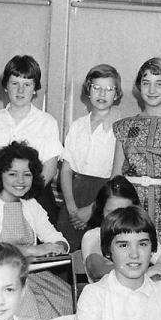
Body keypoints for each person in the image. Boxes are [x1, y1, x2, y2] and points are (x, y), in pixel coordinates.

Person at [0, 142, 73, 320]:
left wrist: (56, 247)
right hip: (1, 281)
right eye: (13, 174)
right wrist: (34, 250)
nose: (21, 180)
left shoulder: (31, 205)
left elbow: (59, 239)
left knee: (69, 308)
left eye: (27, 174)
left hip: (36, 276)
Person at [111, 57, 161, 256]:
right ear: (139, 87)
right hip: (130, 207)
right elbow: (115, 177)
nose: (151, 90)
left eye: (159, 84)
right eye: (146, 83)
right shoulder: (124, 126)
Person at [0, 55, 63, 222]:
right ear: (6, 86)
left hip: (34, 196)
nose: (20, 91)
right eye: (14, 83)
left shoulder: (47, 122)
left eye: (27, 85)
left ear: (35, 88)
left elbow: (49, 169)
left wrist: (25, 194)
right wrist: (1, 195)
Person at [57, 64, 122, 250]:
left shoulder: (119, 128)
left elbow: (116, 175)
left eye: (109, 89)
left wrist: (93, 209)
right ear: (88, 89)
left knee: (97, 251)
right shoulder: (77, 126)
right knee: (67, 251)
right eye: (97, 87)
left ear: (116, 95)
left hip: (104, 197)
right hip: (75, 196)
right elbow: (66, 169)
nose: (102, 94)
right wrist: (71, 207)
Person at [82, 176, 161, 283]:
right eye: (111, 213)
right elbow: (96, 271)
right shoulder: (94, 236)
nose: (118, 218)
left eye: (125, 212)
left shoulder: (138, 235)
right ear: (101, 211)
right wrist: (143, 272)